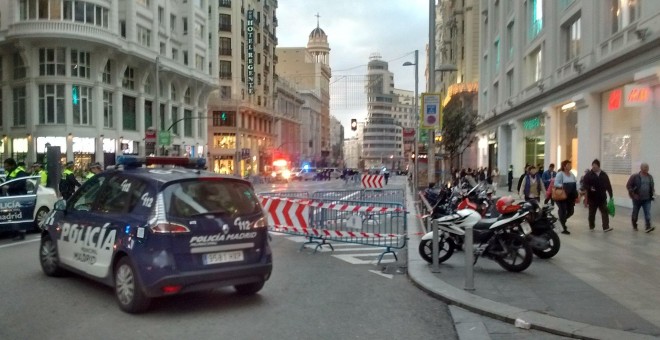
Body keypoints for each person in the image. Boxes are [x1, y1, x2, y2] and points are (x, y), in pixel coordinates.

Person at [582, 159, 613, 232]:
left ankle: (606, 227)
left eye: (595, 167)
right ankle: (591, 226)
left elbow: (608, 185)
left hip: (602, 197)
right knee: (592, 213)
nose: (593, 168)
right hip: (592, 198)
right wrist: (590, 188)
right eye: (593, 167)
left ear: (599, 167)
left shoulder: (604, 175)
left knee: (605, 212)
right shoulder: (588, 175)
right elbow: (584, 184)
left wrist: (611, 194)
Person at [3, 158, 29, 240]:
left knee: (19, 215)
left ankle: (21, 234)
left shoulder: (20, 172)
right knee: (13, 215)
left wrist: (9, 187)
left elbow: (21, 184)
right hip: (12, 197)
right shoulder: (10, 172)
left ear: (12, 165)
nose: (5, 168)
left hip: (19, 196)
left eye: (7, 166)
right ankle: (14, 232)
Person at [626, 163, 655, 232]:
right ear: (641, 168)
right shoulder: (635, 176)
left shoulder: (650, 177)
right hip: (637, 199)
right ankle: (634, 225)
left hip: (647, 199)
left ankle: (648, 226)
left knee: (647, 212)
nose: (646, 169)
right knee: (635, 213)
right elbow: (628, 185)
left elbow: (652, 185)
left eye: (647, 167)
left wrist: (652, 190)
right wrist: (633, 194)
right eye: (645, 167)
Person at [554, 160, 578, 235]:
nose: (570, 166)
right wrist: (563, 186)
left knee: (571, 212)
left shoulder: (571, 174)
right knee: (563, 211)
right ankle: (563, 227)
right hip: (562, 195)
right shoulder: (560, 174)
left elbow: (575, 183)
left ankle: (561, 221)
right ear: (564, 166)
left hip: (570, 196)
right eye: (568, 165)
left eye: (570, 165)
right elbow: (556, 183)